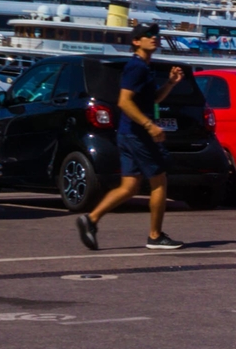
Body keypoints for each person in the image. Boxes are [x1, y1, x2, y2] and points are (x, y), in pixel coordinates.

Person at [77, 23, 183, 251]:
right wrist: (149, 125)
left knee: (130, 187)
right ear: (136, 41)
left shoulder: (144, 68)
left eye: (156, 35)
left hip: (128, 133)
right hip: (137, 134)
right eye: (148, 35)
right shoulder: (137, 67)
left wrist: (170, 84)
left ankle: (91, 219)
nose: (154, 38)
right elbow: (124, 101)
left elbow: (151, 100)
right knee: (159, 181)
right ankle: (155, 236)